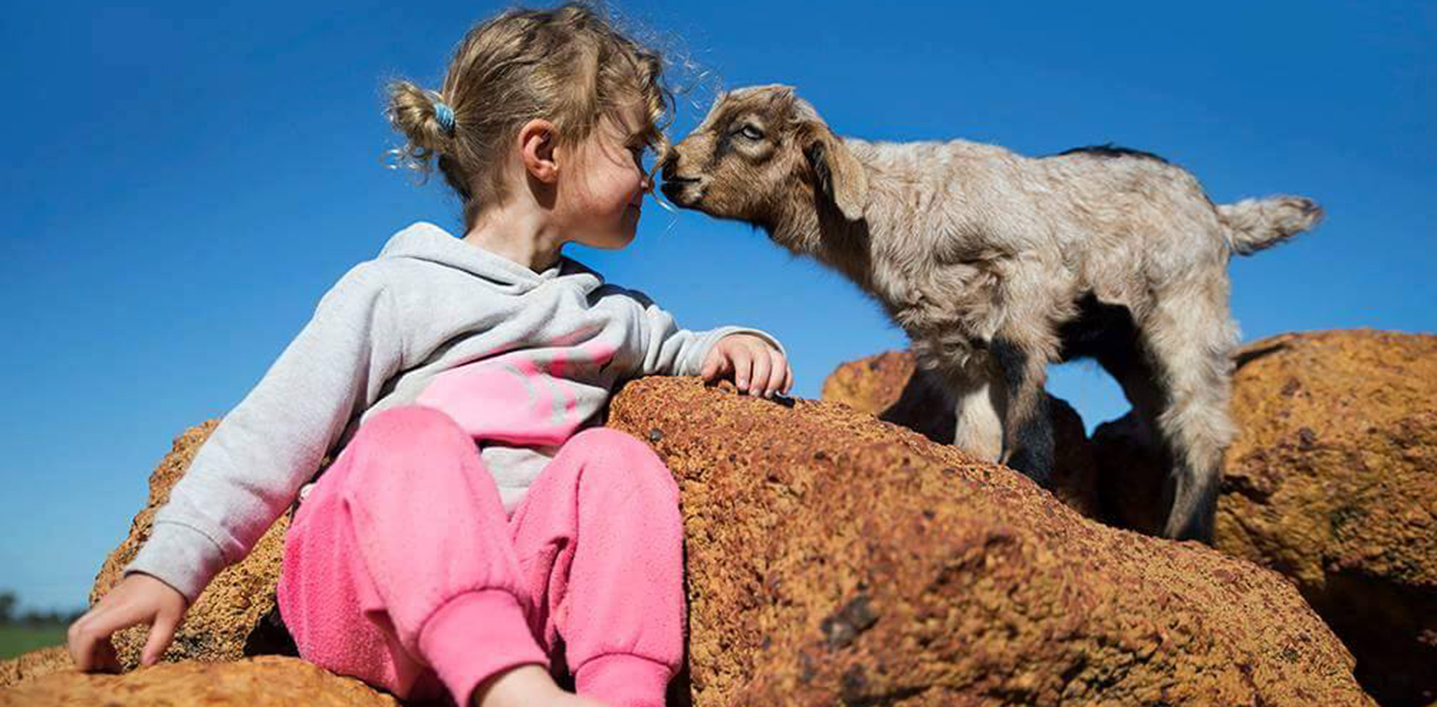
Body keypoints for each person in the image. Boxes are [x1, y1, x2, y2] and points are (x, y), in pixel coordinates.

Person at [65, 5, 791, 707]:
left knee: (616, 462)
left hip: (517, 601)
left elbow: (686, 348)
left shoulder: (607, 313)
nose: (649, 174)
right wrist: (167, 568)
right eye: (632, 148)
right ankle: (513, 690)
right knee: (410, 439)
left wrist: (738, 343)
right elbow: (270, 434)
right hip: (366, 602)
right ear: (543, 152)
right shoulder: (397, 289)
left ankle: (621, 694)